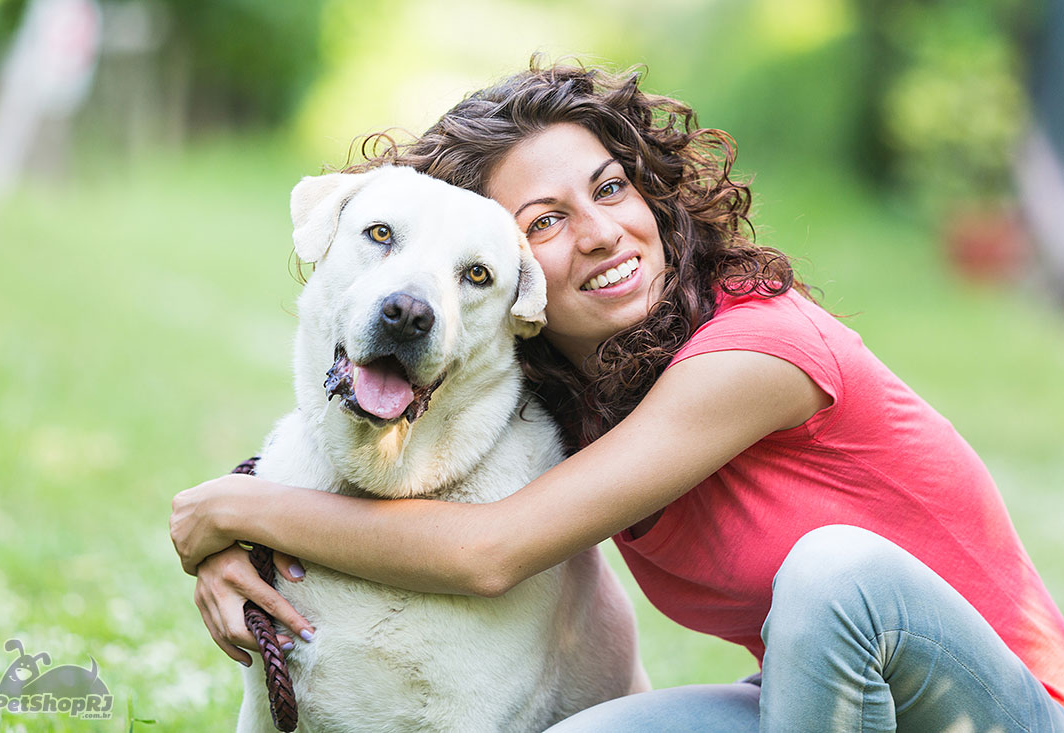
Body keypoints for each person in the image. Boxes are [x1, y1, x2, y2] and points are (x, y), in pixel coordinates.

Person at [170, 58, 1064, 730]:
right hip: (818, 703)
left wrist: (235, 508)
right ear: (508, 286)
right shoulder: (582, 399)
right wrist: (234, 541)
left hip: (1006, 708)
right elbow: (389, 460)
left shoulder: (759, 349)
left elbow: (488, 549)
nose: (601, 233)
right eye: (546, 221)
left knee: (837, 571)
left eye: (610, 188)